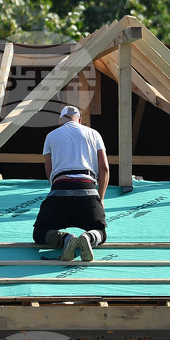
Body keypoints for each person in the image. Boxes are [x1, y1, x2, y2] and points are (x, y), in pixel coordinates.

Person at [33, 105, 110, 261]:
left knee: (40, 231)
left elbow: (49, 171)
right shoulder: (94, 134)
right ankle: (88, 238)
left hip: (59, 188)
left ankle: (65, 239)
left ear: (61, 121)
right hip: (87, 189)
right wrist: (100, 199)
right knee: (100, 231)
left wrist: (55, 193)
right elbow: (105, 169)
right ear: (80, 120)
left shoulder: (51, 136)